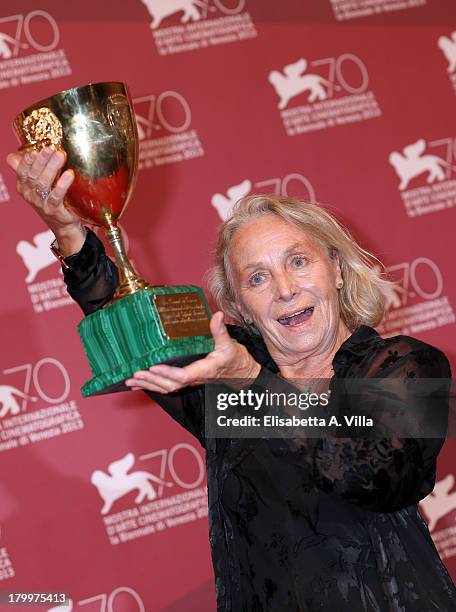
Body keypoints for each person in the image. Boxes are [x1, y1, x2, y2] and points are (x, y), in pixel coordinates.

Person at [7, 147, 456, 611]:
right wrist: (68, 230)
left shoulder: (403, 365)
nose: (285, 290)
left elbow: (373, 477)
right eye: (257, 278)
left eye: (299, 261)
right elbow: (127, 329)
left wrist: (252, 381)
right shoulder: (224, 383)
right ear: (239, 306)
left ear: (337, 270)